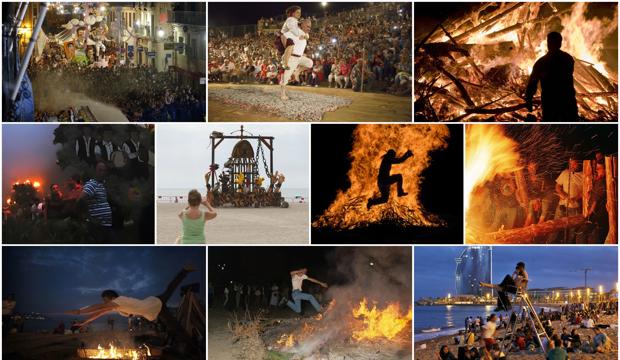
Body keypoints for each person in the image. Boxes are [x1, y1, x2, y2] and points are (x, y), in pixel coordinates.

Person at [66, 265, 201, 358]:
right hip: (156, 312)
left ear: (111, 297)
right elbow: (99, 313)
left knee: (170, 289)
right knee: (175, 328)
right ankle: (192, 348)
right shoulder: (117, 308)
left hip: (155, 302)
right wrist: (84, 322)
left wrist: (79, 311)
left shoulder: (121, 300)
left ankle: (184, 271)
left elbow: (99, 308)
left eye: (105, 299)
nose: (104, 302)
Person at [525, 31, 578, 121]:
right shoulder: (567, 59)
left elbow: (532, 83)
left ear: (548, 43)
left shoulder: (541, 62)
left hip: (552, 103)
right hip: (566, 101)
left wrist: (529, 98)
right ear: (560, 43)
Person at [279, 18, 313, 100]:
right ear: (302, 25)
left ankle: (297, 72)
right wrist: (286, 47)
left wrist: (305, 36)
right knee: (286, 78)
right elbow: (283, 35)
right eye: (307, 26)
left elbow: (306, 36)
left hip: (299, 57)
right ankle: (282, 94)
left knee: (310, 63)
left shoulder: (305, 34)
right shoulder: (294, 32)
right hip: (291, 57)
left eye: (310, 27)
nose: (309, 28)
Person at [79, 162, 113, 242]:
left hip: (105, 226)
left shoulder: (102, 185)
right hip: (97, 227)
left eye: (104, 171)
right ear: (95, 171)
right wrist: (90, 219)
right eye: (100, 170)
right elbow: (80, 200)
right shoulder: (92, 184)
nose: (103, 173)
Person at [553, 158, 583, 243]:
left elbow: (584, 192)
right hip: (562, 205)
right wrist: (562, 194)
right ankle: (549, 244)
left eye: (574, 164)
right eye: (570, 164)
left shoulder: (584, 175)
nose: (572, 166)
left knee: (572, 231)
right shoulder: (565, 172)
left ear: (579, 164)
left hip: (574, 208)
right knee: (554, 226)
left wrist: (575, 199)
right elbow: (557, 186)